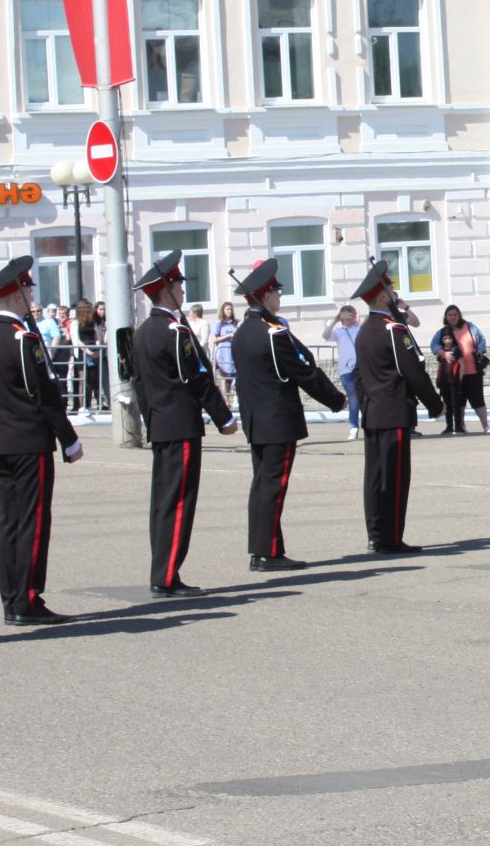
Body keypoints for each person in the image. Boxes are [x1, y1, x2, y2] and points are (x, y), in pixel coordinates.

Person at [0, 256, 84, 627]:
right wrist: (68, 439)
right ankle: (27, 599)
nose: (31, 296)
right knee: (32, 522)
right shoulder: (23, 340)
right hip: (29, 443)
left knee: (10, 523)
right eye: (28, 289)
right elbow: (44, 394)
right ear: (19, 294)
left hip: (3, 441)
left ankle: (13, 598)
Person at [132, 251, 237, 597]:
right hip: (181, 425)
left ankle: (161, 571)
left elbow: (139, 384)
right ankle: (167, 576)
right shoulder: (176, 332)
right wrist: (223, 418)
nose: (182, 291)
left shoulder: (144, 331)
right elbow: (198, 377)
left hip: (161, 424)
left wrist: (151, 419)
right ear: (166, 290)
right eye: (178, 285)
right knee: (179, 502)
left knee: (163, 501)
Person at [231, 259, 346, 571]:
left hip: (255, 420)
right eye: (277, 292)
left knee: (262, 485)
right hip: (277, 421)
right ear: (266, 295)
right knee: (272, 487)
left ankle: (264, 549)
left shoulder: (242, 332)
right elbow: (304, 370)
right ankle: (266, 553)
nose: (279, 297)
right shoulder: (273, 333)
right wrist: (336, 400)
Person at [354, 265, 444, 554]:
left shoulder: (364, 331)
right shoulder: (393, 330)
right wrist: (435, 404)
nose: (395, 295)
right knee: (395, 478)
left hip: (373, 412)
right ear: (382, 297)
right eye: (391, 291)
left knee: (375, 477)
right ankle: (391, 538)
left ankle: (375, 535)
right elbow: (413, 371)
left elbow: (358, 376)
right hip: (394, 412)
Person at [429, 305, 490, 433]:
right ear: (446, 317)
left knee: (478, 401)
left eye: (455, 314)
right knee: (459, 402)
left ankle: (486, 426)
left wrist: (480, 349)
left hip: (473, 371)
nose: (452, 317)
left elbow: (482, 340)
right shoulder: (442, 332)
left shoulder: (470, 327)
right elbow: (434, 345)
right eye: (450, 315)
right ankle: (461, 427)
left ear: (459, 315)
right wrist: (442, 353)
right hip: (454, 374)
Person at [324, 304, 363, 442]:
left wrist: (358, 318)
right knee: (354, 399)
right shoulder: (339, 332)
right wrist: (335, 320)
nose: (348, 317)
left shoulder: (360, 329)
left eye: (350, 314)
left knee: (365, 397)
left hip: (361, 369)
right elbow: (325, 335)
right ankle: (353, 427)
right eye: (345, 315)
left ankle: (368, 425)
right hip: (346, 371)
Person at [212, 302, 238, 405]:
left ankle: (233, 399)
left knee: (234, 375)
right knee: (224, 376)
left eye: (231, 309)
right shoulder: (219, 323)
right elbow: (214, 339)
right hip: (223, 351)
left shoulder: (235, 323)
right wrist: (227, 336)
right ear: (223, 310)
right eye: (227, 309)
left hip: (232, 350)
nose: (229, 311)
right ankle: (225, 400)